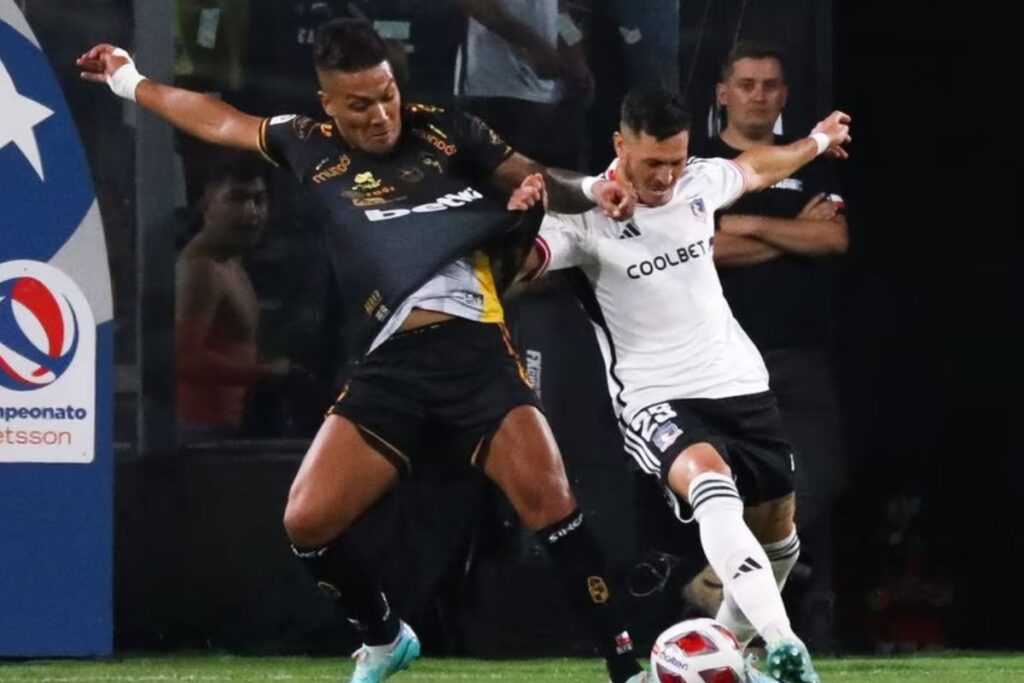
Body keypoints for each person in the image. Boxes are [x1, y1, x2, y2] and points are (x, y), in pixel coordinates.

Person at [78, 20, 646, 683]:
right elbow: (216, 118)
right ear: (328, 103)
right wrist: (129, 79)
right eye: (359, 104)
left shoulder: (445, 129)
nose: (380, 115)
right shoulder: (304, 142)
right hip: (392, 362)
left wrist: (592, 188)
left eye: (386, 96)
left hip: (475, 349)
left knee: (553, 503)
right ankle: (384, 636)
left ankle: (628, 669)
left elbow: (535, 176)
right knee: (306, 520)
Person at [521, 89, 851, 683]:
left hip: (739, 382)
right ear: (620, 146)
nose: (667, 176)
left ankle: (727, 652)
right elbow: (525, 262)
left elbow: (753, 168)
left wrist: (820, 141)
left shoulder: (697, 183)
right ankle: (784, 644)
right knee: (712, 486)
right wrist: (511, 224)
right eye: (653, 163)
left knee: (780, 533)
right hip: (655, 396)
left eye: (676, 160)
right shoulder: (583, 219)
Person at [693, 42, 849, 649]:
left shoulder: (810, 163)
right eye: (747, 83)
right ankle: (738, 620)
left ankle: (718, 586)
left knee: (823, 473)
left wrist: (747, 224)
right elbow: (702, 249)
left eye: (770, 85)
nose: (759, 94)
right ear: (723, 93)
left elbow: (834, 240)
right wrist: (791, 234)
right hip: (722, 358)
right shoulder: (697, 164)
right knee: (729, 486)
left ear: (785, 97)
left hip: (798, 350)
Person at [175, 151, 292, 438]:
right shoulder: (201, 268)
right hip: (200, 433)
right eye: (237, 199)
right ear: (206, 205)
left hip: (227, 427)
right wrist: (267, 373)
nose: (251, 213)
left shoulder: (228, 260)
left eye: (258, 200)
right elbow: (183, 358)